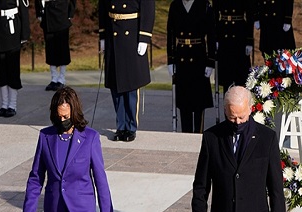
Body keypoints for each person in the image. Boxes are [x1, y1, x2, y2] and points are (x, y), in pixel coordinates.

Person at [99, 0, 155, 142]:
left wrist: (144, 37)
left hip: (132, 36)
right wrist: (103, 36)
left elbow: (148, 8)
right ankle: (121, 126)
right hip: (113, 34)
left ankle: (130, 127)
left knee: (131, 85)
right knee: (115, 85)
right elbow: (102, 7)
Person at [167, 0, 216, 133]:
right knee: (184, 103)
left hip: (199, 56)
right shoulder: (175, 5)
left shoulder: (204, 6)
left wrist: (210, 61)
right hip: (181, 56)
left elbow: (211, 34)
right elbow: (170, 34)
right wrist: (170, 60)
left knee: (198, 102)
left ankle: (198, 134)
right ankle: (185, 134)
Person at [0, 0, 30, 118]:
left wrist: (24, 34)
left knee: (12, 69)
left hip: (12, 30)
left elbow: (23, 10)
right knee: (1, 70)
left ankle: (12, 105)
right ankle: (4, 105)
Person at [211, 0, 254, 93]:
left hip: (240, 34)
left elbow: (250, 15)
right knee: (227, 74)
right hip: (224, 34)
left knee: (241, 74)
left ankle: (240, 103)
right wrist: (216, 38)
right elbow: (214, 15)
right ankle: (227, 103)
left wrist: (250, 40)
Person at [35, 0, 76, 91]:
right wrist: (39, 12)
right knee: (50, 48)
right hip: (47, 11)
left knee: (62, 48)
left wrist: (70, 13)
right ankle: (54, 78)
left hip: (61, 12)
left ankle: (61, 78)